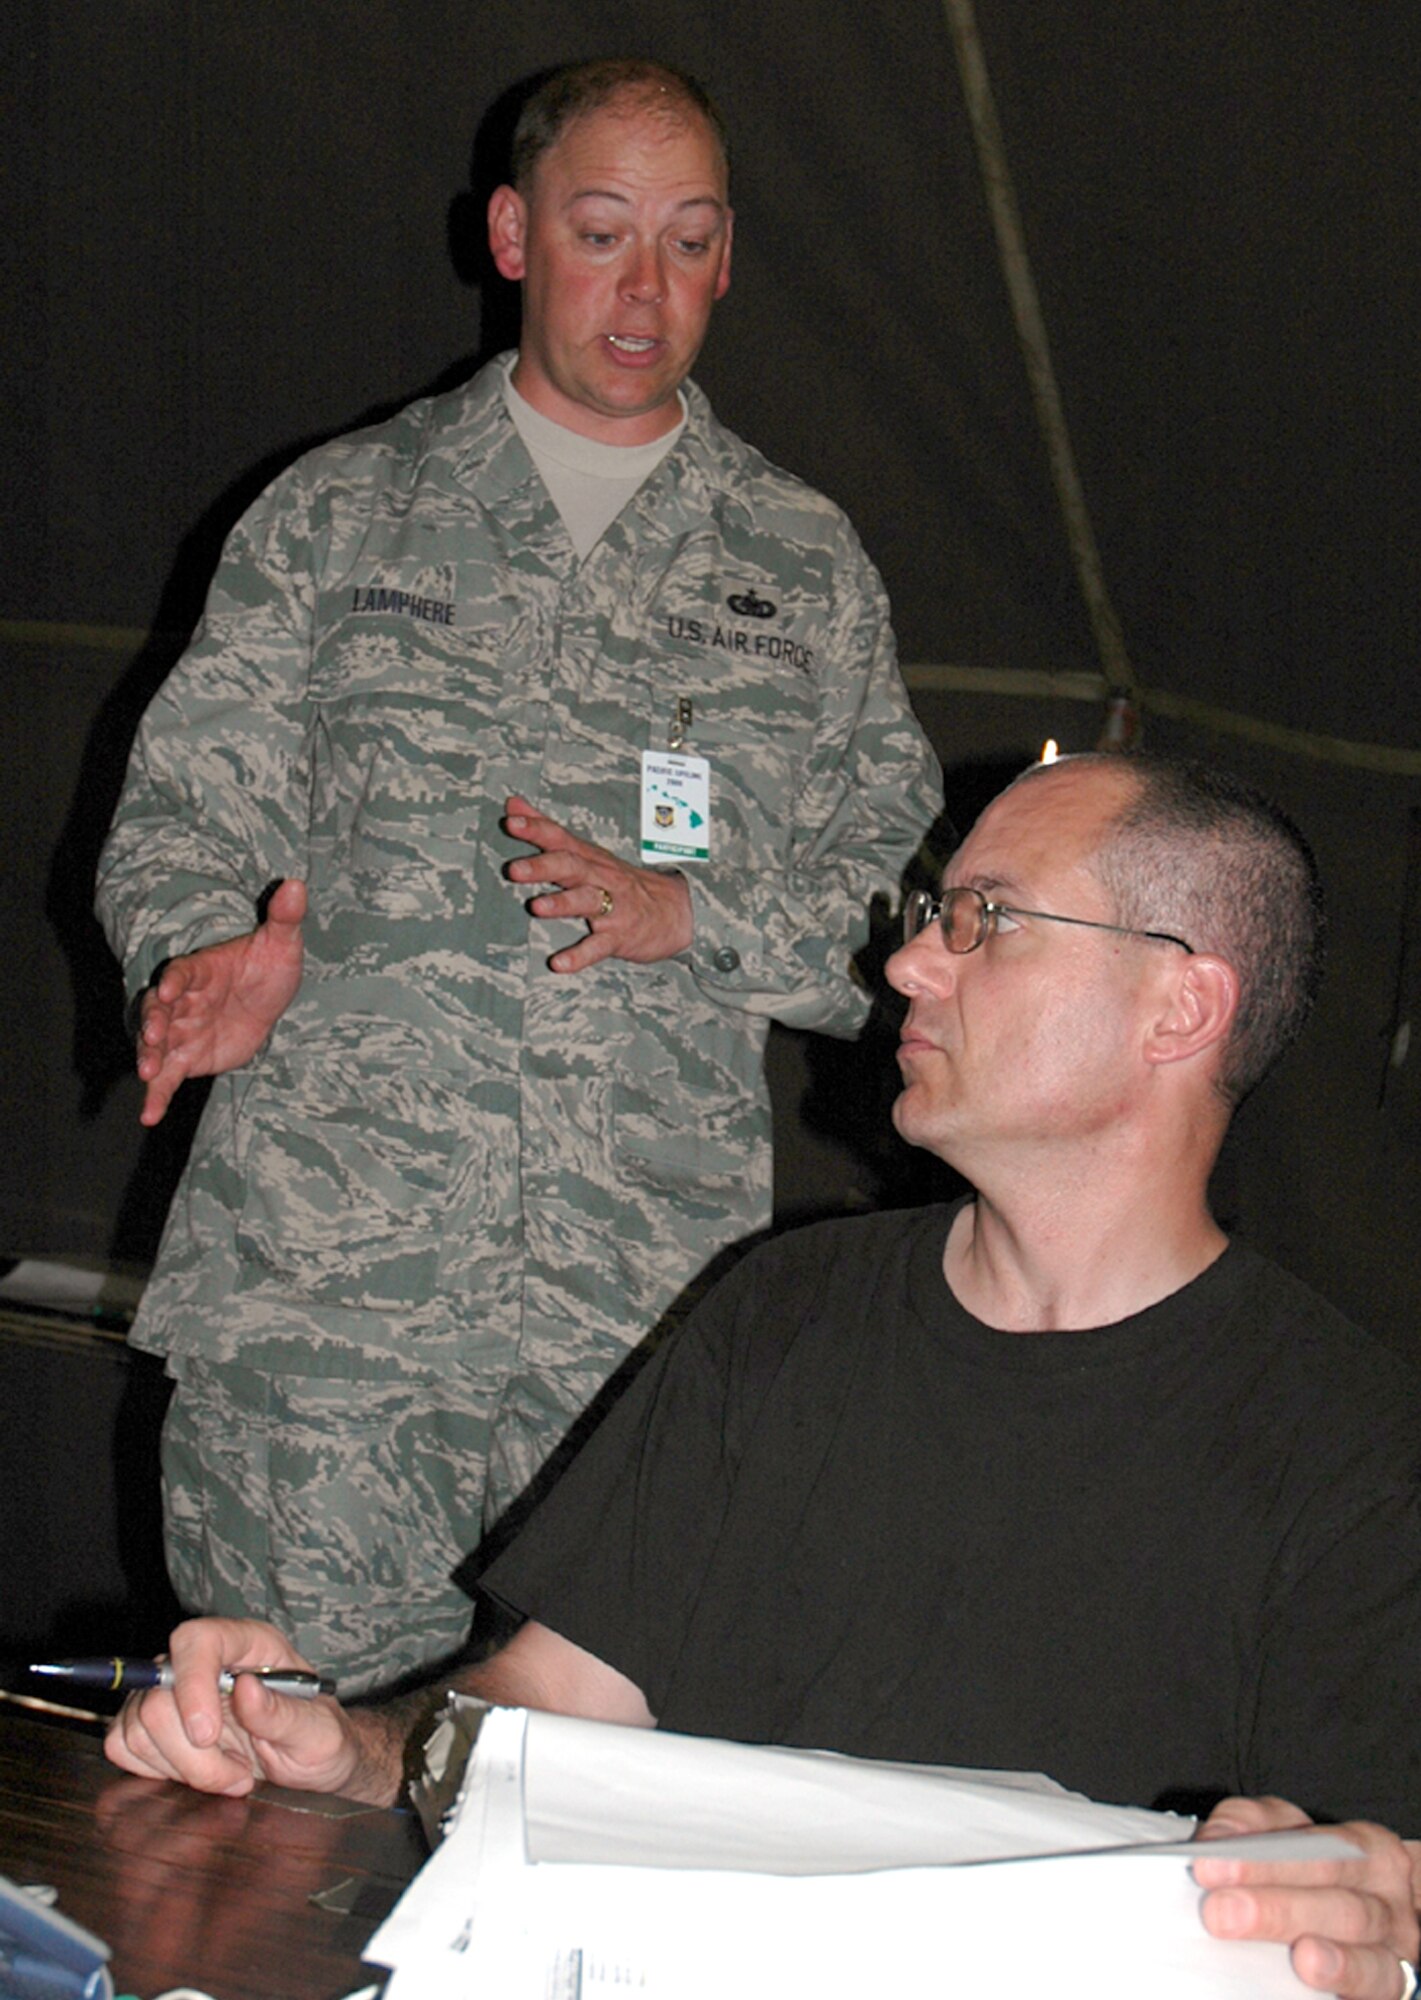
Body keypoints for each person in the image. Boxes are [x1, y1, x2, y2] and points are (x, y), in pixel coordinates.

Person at [108, 752, 1421, 2000]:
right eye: (929, 912)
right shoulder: (786, 1309)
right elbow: (545, 1711)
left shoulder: (1347, 1454)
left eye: (987, 918)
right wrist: (346, 1752)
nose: (904, 959)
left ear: (1178, 1006)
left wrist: (1367, 1918)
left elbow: (1361, 1885)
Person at [93, 59, 943, 1693]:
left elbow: (910, 922)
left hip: (631, 1330)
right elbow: (183, 805)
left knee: (582, 1802)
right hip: (329, 1308)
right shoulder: (338, 516)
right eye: (602, 233)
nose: (646, 291)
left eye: (689, 245)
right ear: (509, 233)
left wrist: (700, 916)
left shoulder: (799, 563)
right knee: (276, 1777)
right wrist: (205, 949)